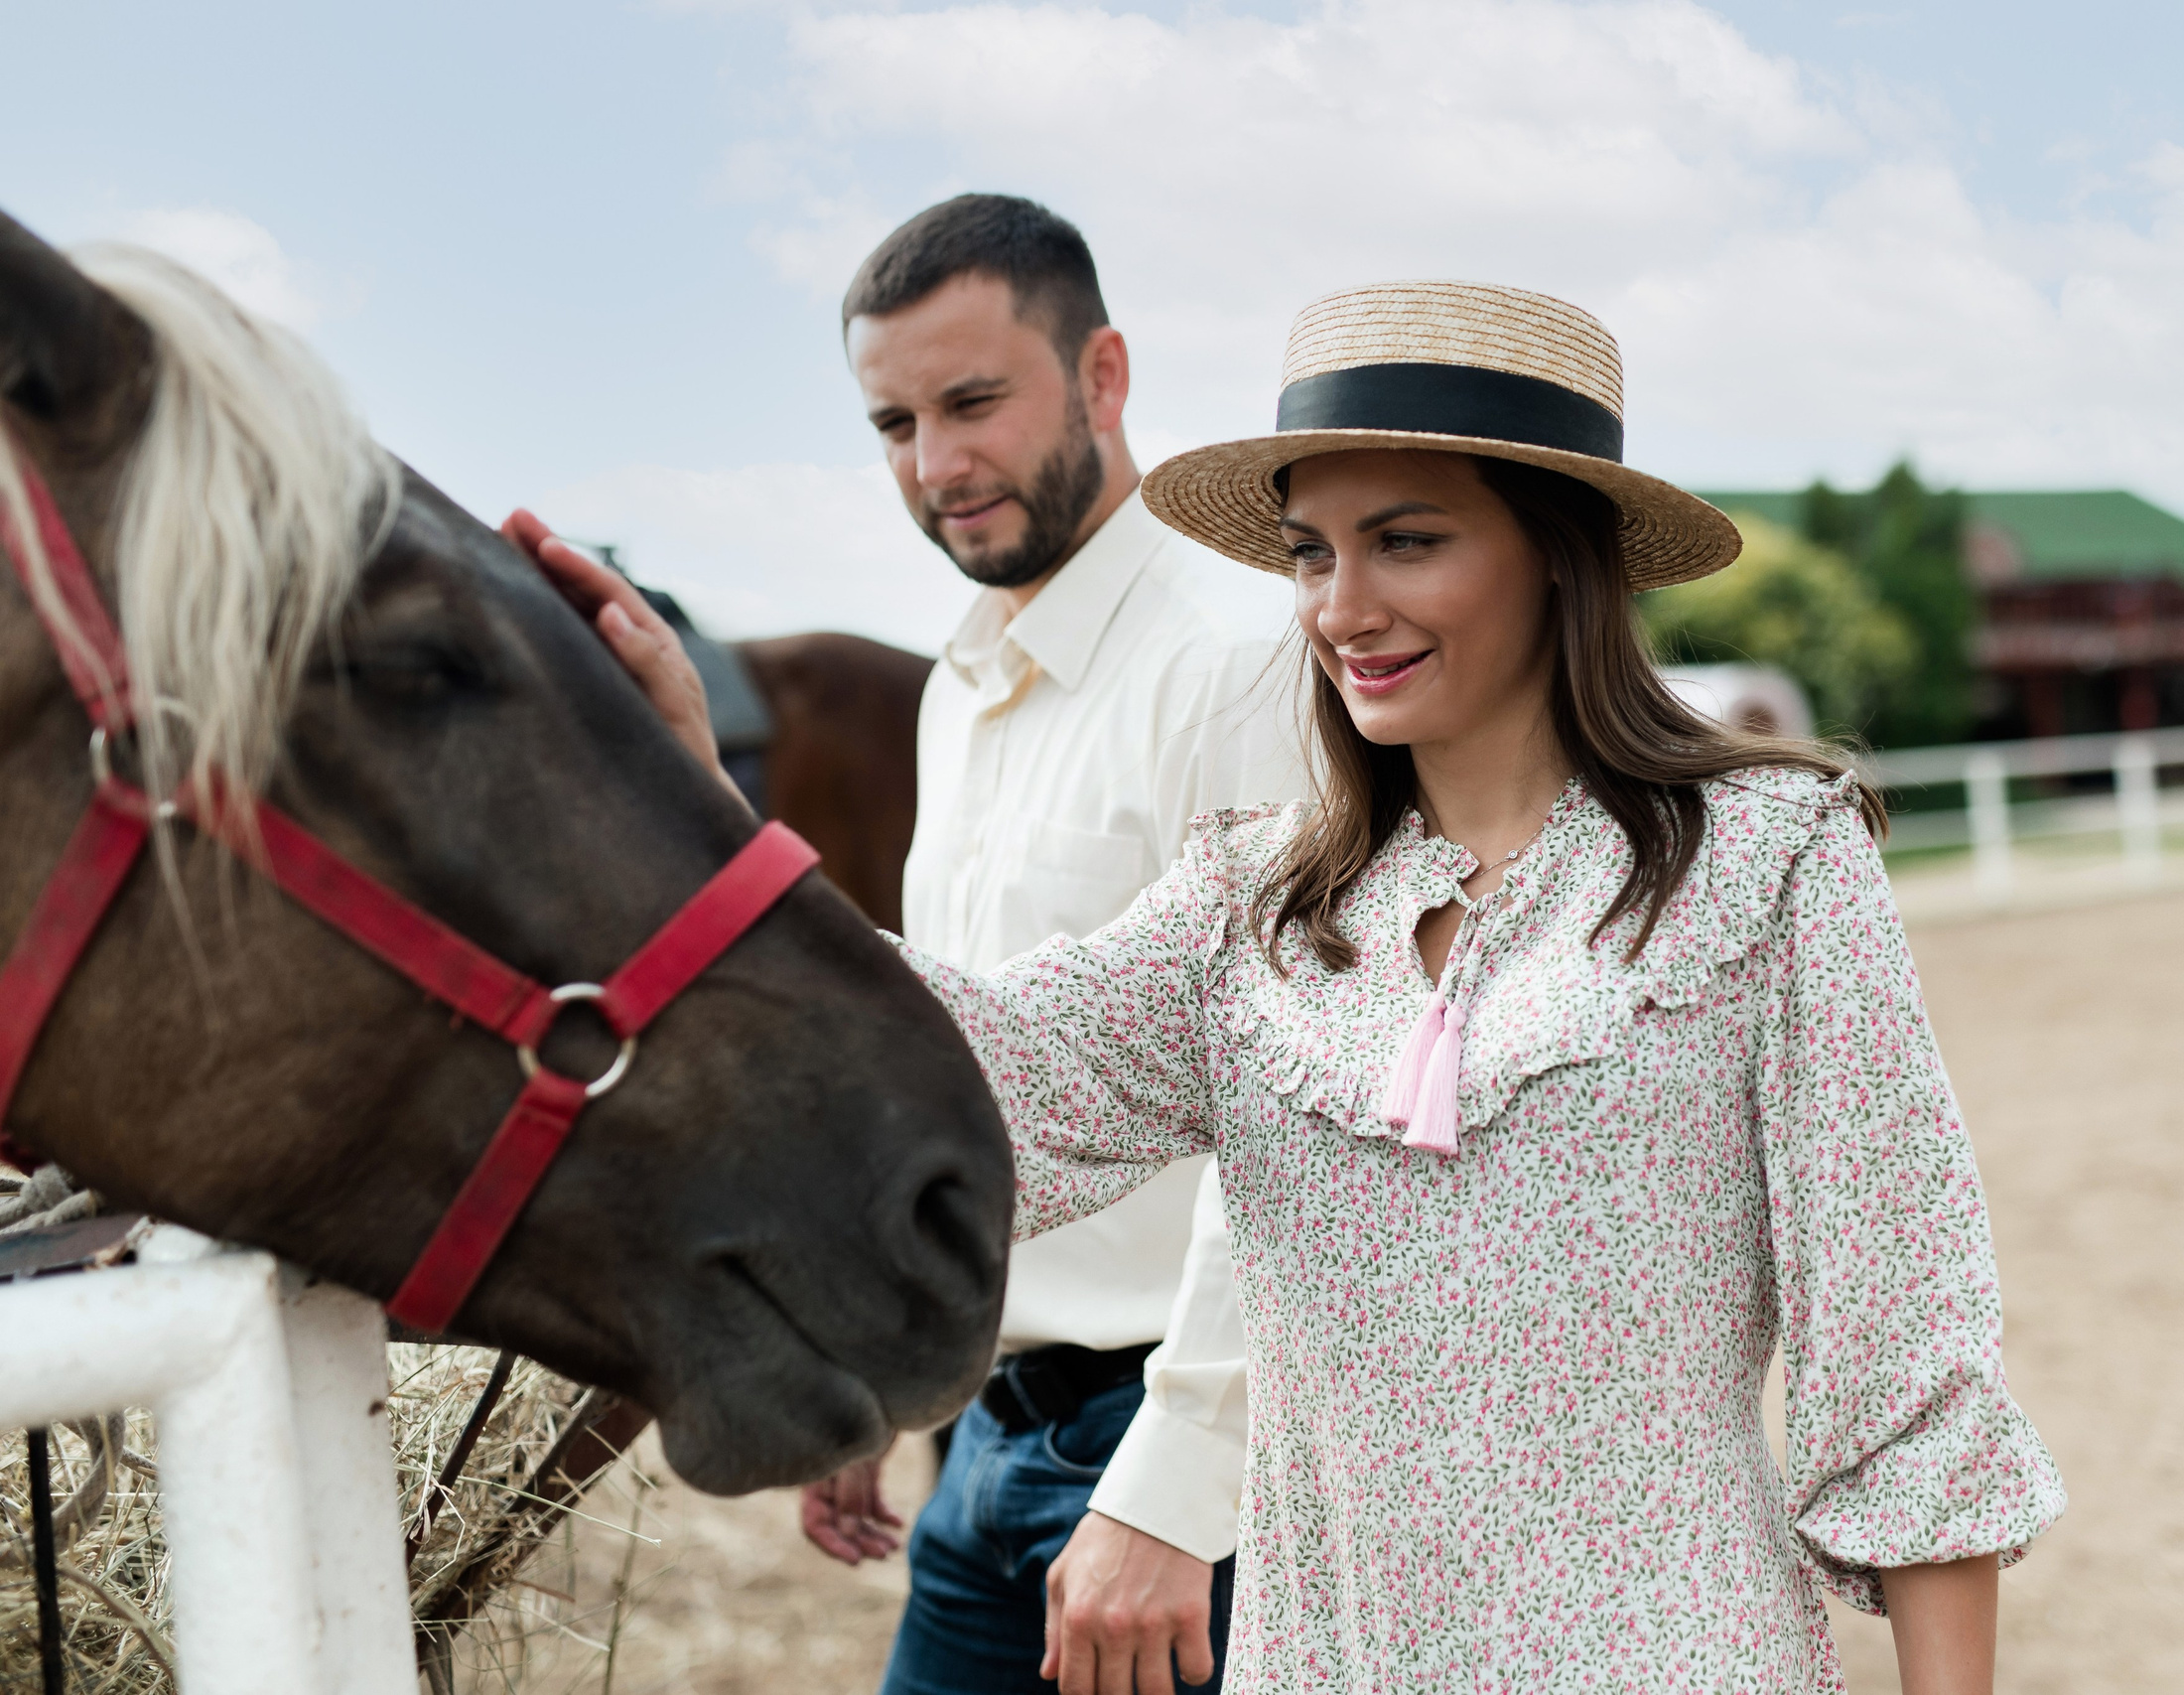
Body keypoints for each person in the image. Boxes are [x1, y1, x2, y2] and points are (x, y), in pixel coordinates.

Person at [544, 280, 2064, 1693]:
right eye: (1309, 553)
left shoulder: (1768, 866)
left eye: (1406, 541)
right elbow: (953, 1062)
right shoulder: (1255, 903)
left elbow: (1905, 1377)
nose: (1342, 608)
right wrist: (686, 819)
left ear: (1554, 546)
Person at [521, 195, 1297, 1695]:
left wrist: (1180, 1491)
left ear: (1105, 376)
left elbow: (1298, 1119)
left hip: (1187, 1476)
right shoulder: (966, 682)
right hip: (991, 1439)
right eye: (892, 423)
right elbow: (933, 1055)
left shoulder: (1236, 660)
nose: (936, 467)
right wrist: (877, 1369)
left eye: (973, 402)